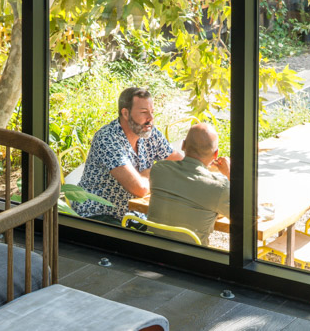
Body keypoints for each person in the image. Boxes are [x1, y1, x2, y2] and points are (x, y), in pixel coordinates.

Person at [72, 87, 184, 222]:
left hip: (133, 214)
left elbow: (181, 164)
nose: (151, 118)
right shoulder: (107, 139)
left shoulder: (149, 132)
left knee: (173, 227)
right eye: (144, 112)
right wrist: (156, 171)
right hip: (98, 214)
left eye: (152, 112)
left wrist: (149, 174)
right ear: (125, 113)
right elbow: (140, 189)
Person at [146, 122, 231, 245]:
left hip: (152, 251)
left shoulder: (159, 170)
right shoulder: (219, 188)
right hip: (192, 260)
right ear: (216, 154)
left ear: (183, 145)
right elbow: (248, 217)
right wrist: (229, 175)